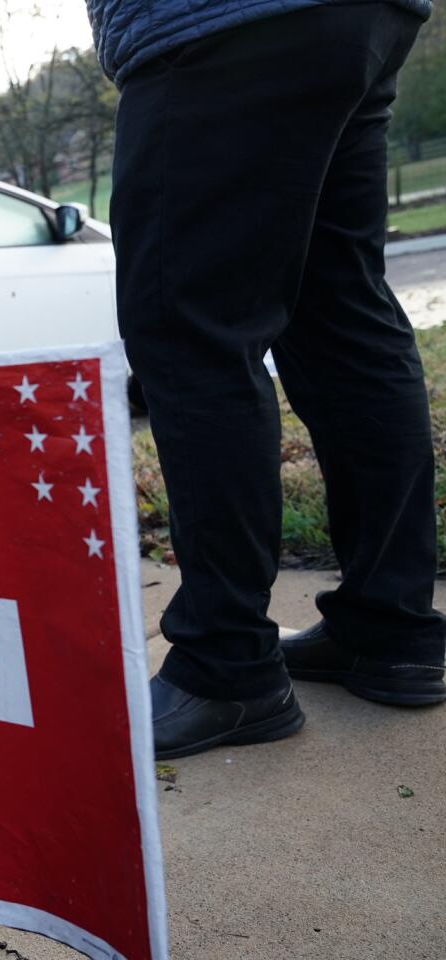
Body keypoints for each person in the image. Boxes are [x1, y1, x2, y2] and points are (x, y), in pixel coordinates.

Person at [86, 0, 444, 759]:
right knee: (340, 314)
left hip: (218, 24)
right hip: (360, 19)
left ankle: (227, 668)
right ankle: (392, 628)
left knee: (190, 332)